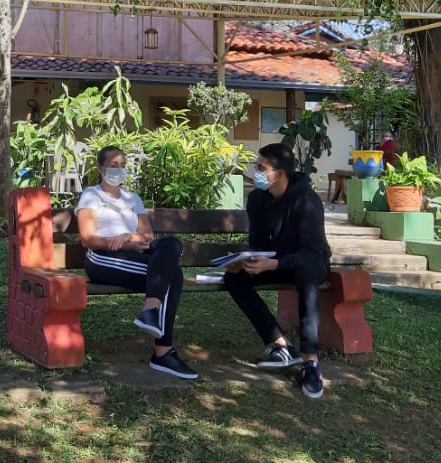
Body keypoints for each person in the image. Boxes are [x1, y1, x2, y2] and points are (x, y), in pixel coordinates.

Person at [77, 146, 198, 380]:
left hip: (133, 252)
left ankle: (151, 313)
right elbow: (87, 239)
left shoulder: (133, 198)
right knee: (173, 275)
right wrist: (120, 242)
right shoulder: (92, 195)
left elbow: (147, 237)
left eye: (122, 166)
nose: (119, 170)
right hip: (103, 257)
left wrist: (127, 238)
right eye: (113, 166)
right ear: (100, 168)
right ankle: (162, 351)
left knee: (171, 243)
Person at [224, 142, 332, 399]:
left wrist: (274, 264)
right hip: (276, 262)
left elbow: (311, 252)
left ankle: (311, 362)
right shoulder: (257, 199)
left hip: (310, 262)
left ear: (280, 173)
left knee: (306, 276)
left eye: (261, 168)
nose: (256, 173)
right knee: (234, 278)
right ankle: (280, 345)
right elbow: (258, 242)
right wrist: (246, 259)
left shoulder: (307, 200)